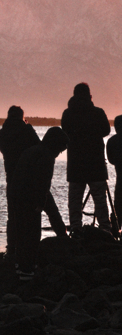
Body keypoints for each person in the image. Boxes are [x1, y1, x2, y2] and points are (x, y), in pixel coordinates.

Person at [0, 106, 68, 262]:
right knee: (49, 207)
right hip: (34, 175)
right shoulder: (27, 131)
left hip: (12, 178)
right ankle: (63, 236)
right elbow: (41, 146)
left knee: (13, 215)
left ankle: (12, 248)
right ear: (22, 116)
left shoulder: (2, 134)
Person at [7, 126, 69, 278]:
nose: (60, 152)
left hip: (17, 194)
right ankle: (27, 268)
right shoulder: (46, 156)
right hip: (28, 196)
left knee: (22, 230)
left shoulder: (33, 150)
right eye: (61, 148)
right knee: (32, 233)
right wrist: (39, 203)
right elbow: (42, 183)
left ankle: (21, 263)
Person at [61, 83, 111, 234]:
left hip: (76, 164)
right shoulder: (98, 112)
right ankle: (105, 229)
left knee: (75, 200)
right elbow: (106, 130)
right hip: (96, 163)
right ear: (89, 96)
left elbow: (65, 132)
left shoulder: (68, 114)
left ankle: (76, 228)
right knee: (100, 199)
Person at [106, 115, 122, 226]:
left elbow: (111, 160)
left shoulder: (112, 141)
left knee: (118, 204)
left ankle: (118, 226)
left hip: (119, 175)